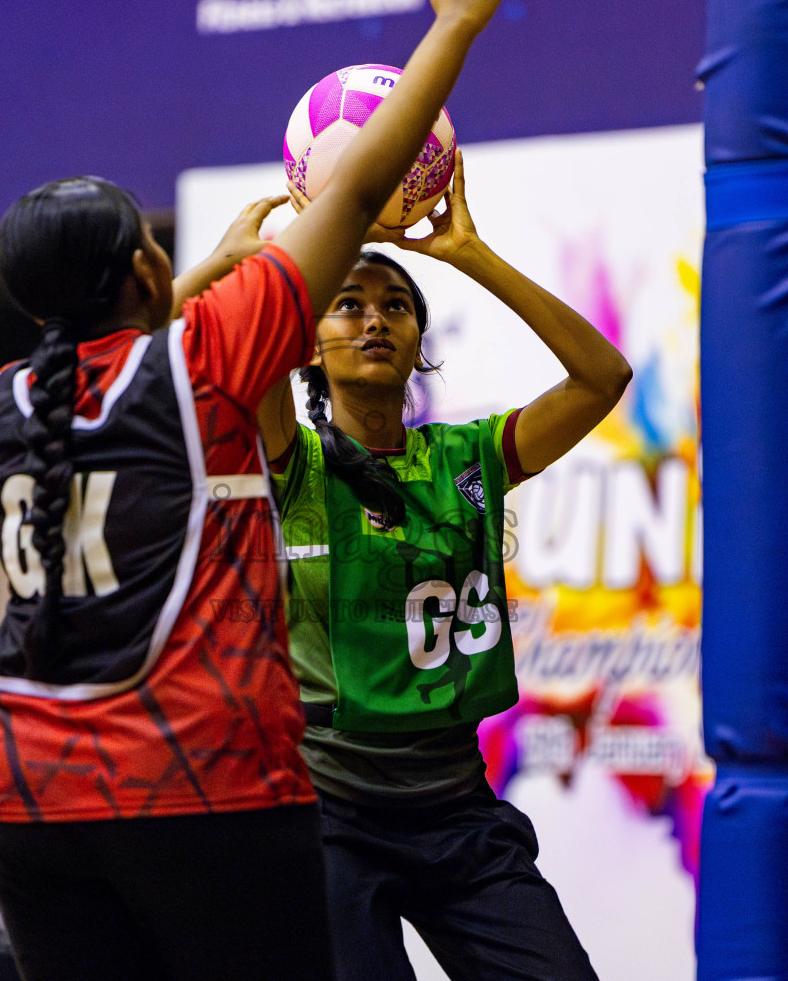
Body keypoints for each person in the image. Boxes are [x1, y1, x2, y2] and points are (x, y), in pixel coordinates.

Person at [0, 0, 532, 978]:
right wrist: (455, 23)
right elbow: (357, 186)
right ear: (147, 270)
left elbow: (108, 351)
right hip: (194, 783)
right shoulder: (207, 358)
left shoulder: (4, 404)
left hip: (29, 795)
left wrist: (191, 278)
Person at [258, 151, 631, 981]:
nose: (374, 320)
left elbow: (603, 376)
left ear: (420, 345)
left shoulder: (470, 456)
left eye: (395, 306)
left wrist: (469, 253)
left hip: (458, 808)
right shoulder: (294, 461)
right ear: (309, 346)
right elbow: (253, 345)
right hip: (330, 816)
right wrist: (308, 242)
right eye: (347, 305)